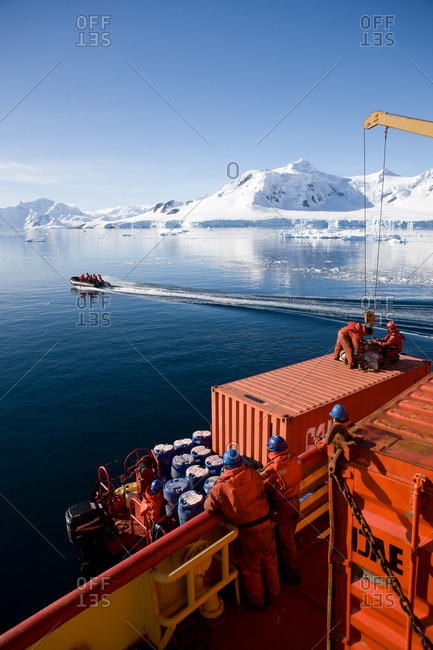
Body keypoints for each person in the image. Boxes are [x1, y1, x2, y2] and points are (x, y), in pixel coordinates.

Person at [204, 448, 280, 610]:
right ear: (241, 462)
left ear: (225, 466)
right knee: (270, 561)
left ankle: (258, 602)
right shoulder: (253, 474)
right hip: (266, 526)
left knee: (251, 569)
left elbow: (208, 508)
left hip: (248, 534)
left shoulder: (220, 488)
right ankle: (274, 595)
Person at [261, 435, 304, 585]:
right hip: (296, 502)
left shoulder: (273, 468)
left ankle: (293, 575)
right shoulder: (293, 459)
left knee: (287, 543)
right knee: (289, 535)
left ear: (271, 451)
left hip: (283, 508)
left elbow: (261, 485)